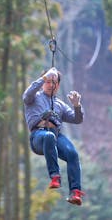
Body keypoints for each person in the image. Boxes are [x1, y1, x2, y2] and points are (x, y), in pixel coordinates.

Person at [22, 67, 85, 206]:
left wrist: (77, 106)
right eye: (48, 81)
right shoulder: (34, 98)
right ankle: (55, 176)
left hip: (55, 136)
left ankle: (75, 192)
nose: (51, 85)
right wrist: (44, 77)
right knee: (49, 136)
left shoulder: (60, 104)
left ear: (58, 85)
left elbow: (77, 119)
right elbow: (26, 95)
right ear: (43, 82)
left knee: (72, 153)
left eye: (54, 82)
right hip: (38, 136)